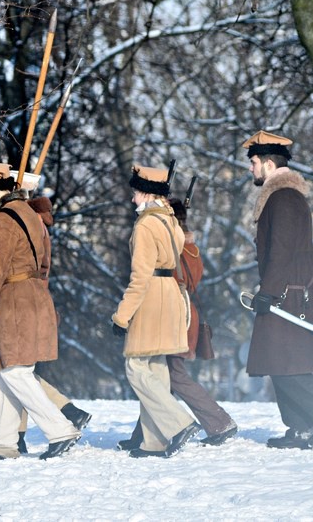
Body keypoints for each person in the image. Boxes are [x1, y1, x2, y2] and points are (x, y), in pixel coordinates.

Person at [0, 163, 81, 461]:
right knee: (7, 372)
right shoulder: (30, 213)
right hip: (35, 294)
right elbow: (44, 260)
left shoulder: (3, 219)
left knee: (15, 372)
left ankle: (61, 430)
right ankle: (5, 444)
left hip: (14, 300)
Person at [117, 197, 237, 451]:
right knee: (158, 373)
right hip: (180, 309)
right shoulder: (185, 245)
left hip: (171, 311)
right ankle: (146, 436)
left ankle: (219, 422)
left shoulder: (173, 244)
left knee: (170, 374)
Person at [111, 165, 200, 458]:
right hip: (170, 295)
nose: (133, 200)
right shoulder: (170, 221)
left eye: (136, 193)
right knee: (157, 370)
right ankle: (155, 441)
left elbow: (139, 277)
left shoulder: (146, 224)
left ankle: (178, 423)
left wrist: (121, 316)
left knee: (135, 367)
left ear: (147, 193)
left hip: (151, 297)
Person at [242, 130, 313, 449]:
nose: (250, 169)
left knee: (285, 363)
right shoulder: (280, 196)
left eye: (253, 162)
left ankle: (312, 417)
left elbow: (282, 250)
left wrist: (269, 291)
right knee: (282, 363)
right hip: (285, 291)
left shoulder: (284, 197)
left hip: (288, 293)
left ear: (268, 163)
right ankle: (301, 427)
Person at [14, 196, 92, 454]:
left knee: (16, 371)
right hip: (36, 302)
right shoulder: (41, 230)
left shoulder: (34, 231)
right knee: (18, 372)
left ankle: (25, 432)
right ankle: (64, 413)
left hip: (28, 304)